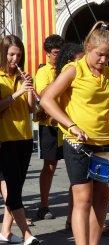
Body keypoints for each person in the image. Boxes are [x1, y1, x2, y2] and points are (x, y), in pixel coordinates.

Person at [41, 21, 109, 245]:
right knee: (83, 199)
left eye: (107, 56)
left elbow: (104, 104)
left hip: (105, 141)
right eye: (100, 55)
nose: (103, 61)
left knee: (102, 199)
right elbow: (47, 100)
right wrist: (71, 125)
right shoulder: (74, 69)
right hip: (78, 143)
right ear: (88, 48)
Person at [0, 35, 39, 244]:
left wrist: (29, 89)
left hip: (24, 137)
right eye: (11, 54)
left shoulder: (22, 77)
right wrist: (17, 93)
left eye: (19, 55)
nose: (15, 59)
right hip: (6, 139)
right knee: (13, 191)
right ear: (3, 54)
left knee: (16, 189)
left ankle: (5, 232)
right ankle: (27, 235)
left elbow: (31, 109)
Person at [54, 42, 84, 231]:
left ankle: (72, 220)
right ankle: (72, 220)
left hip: (82, 134)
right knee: (77, 184)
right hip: (68, 133)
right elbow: (46, 97)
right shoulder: (70, 72)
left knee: (79, 186)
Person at [34, 34, 64, 220]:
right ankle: (44, 205)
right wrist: (61, 78)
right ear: (47, 54)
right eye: (55, 53)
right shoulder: (44, 71)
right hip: (50, 124)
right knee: (50, 166)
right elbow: (43, 93)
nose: (58, 57)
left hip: (66, 123)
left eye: (60, 53)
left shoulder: (65, 67)